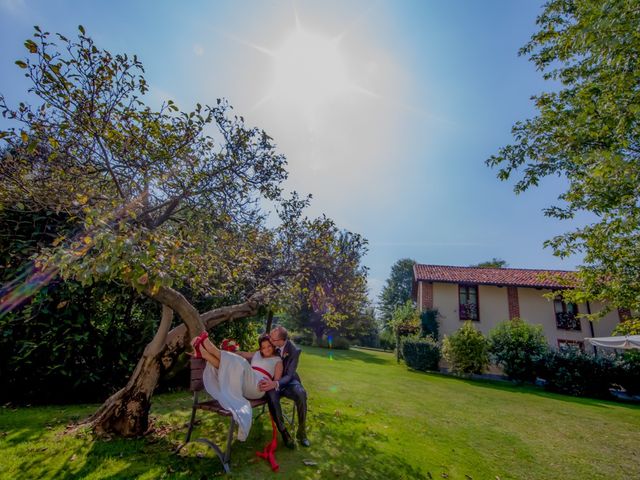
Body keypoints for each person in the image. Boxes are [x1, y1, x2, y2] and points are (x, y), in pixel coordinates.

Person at [192, 332, 282, 441]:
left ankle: (211, 349)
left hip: (258, 386)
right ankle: (205, 354)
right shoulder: (257, 354)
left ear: (273, 346)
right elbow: (242, 354)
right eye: (263, 347)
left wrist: (271, 384)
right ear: (261, 349)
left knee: (242, 363)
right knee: (230, 364)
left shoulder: (277, 361)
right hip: (245, 381)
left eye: (269, 346)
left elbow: (277, 381)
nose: (266, 349)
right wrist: (230, 349)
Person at [259, 326, 310, 448]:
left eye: (272, 338)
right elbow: (258, 353)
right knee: (272, 397)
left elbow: (289, 375)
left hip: (288, 381)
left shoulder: (294, 351)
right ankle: (284, 433)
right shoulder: (270, 345)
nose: (269, 339)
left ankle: (301, 432)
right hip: (272, 381)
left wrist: (276, 383)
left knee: (301, 394)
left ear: (280, 341)